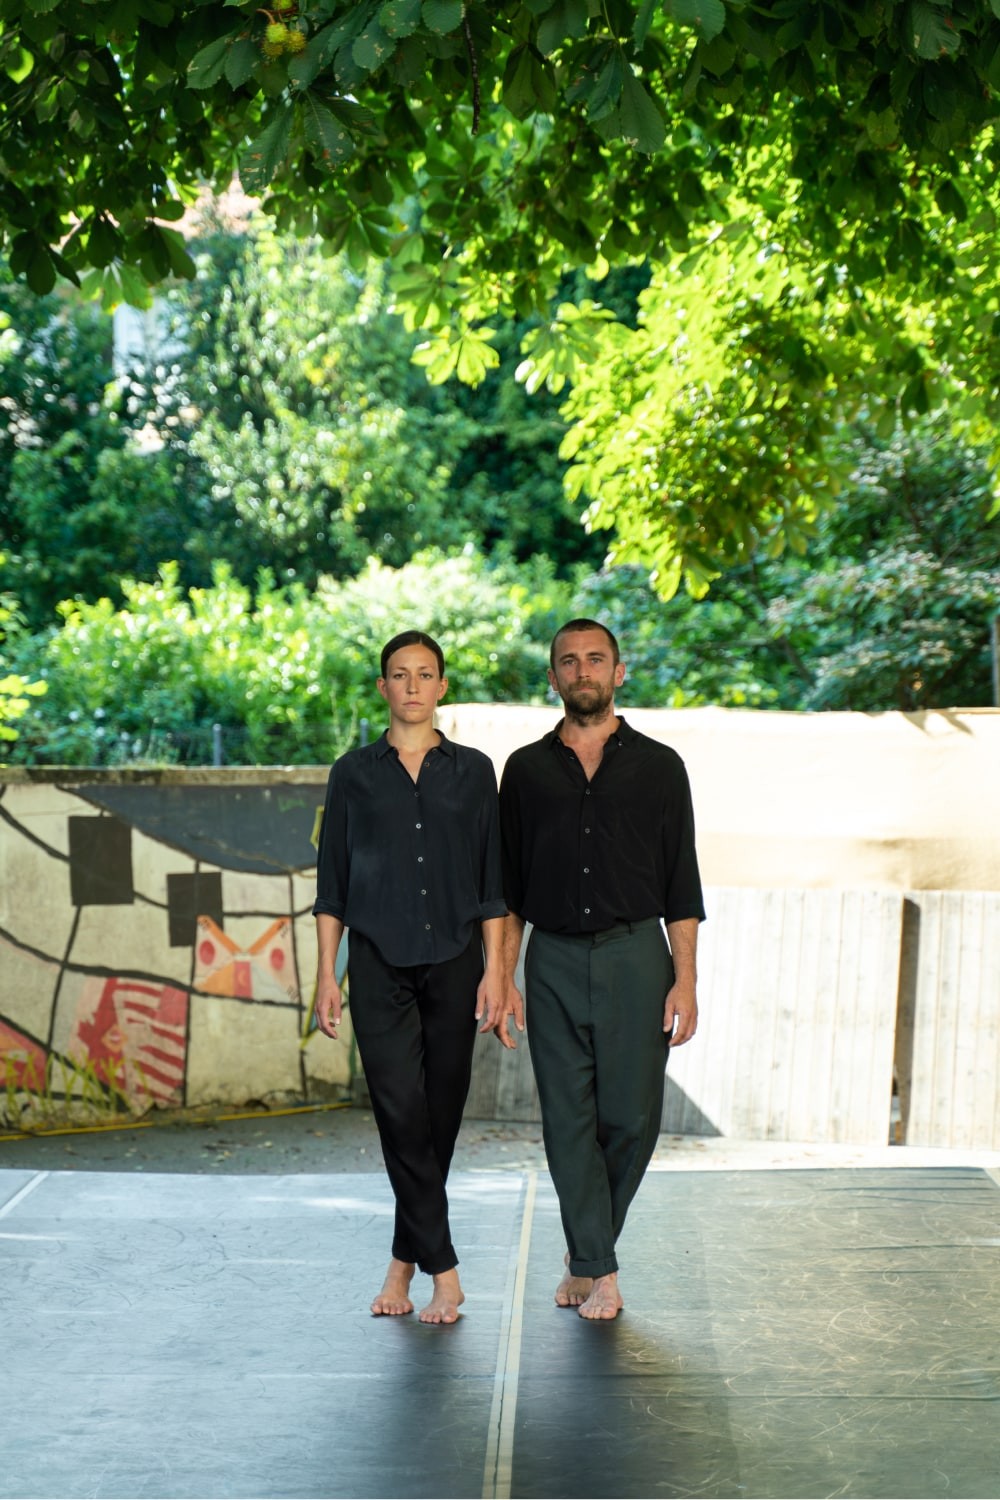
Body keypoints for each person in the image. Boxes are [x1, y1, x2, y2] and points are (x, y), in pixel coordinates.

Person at [499, 618, 705, 1320]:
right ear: (552, 677)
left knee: (631, 1119)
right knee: (567, 1119)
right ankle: (601, 1270)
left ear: (619, 673)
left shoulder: (661, 767)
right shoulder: (523, 771)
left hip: (636, 956)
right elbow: (508, 890)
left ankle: (586, 1251)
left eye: (595, 659)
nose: (581, 670)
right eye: (568, 661)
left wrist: (686, 980)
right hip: (551, 958)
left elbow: (682, 885)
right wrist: (503, 976)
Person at [313, 630, 509, 1324]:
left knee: (439, 1120)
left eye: (426, 674)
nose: (414, 686)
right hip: (376, 963)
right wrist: (326, 976)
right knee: (400, 1111)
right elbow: (332, 885)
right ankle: (445, 1273)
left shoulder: (476, 772)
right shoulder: (352, 774)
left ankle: (401, 1264)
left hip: (456, 962)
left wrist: (497, 972)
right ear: (383, 687)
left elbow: (492, 883)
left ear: (442, 687)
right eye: (400, 674)